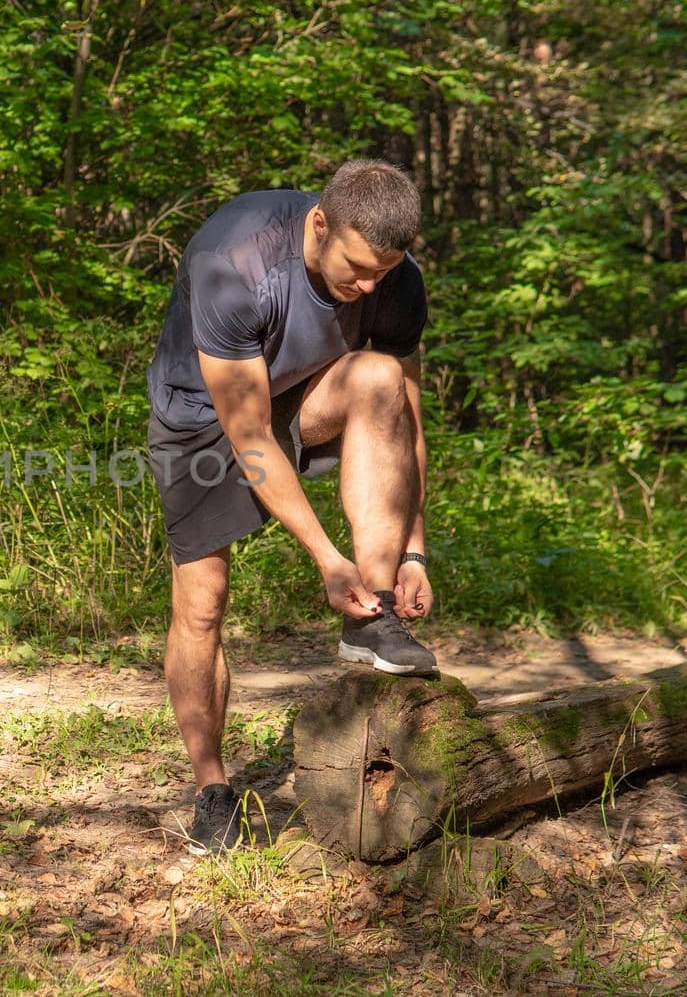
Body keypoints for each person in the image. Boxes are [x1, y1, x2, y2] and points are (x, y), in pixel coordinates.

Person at [143, 159, 436, 856]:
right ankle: (212, 788)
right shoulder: (235, 261)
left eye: (383, 273)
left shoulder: (395, 279)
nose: (368, 288)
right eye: (357, 268)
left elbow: (407, 415)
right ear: (319, 223)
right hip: (204, 415)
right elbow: (247, 433)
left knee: (379, 374)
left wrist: (414, 547)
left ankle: (376, 616)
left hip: (302, 390)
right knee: (203, 601)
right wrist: (325, 558)